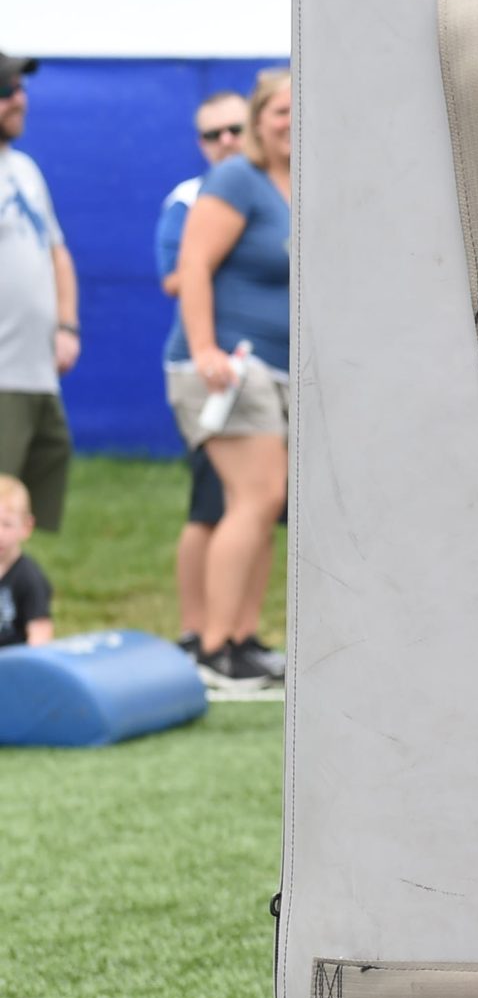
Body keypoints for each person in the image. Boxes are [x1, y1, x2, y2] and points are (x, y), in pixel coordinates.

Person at [170, 68, 292, 692]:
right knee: (255, 498)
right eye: (280, 112)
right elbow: (191, 263)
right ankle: (215, 650)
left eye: (303, 109)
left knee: (267, 505)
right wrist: (204, 349)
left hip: (281, 370)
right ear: (257, 121)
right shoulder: (236, 178)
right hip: (229, 368)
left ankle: (244, 639)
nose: (293, 122)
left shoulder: (298, 185)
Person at [156, 90, 253, 662]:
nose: (227, 142)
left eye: (235, 129)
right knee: (211, 503)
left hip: (258, 366)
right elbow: (175, 275)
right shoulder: (191, 198)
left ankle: (240, 633)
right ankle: (200, 634)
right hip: (210, 367)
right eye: (213, 134)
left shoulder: (272, 186)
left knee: (254, 505)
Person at [0, 51, 79, 535]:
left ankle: (16, 606)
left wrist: (67, 326)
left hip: (36, 373)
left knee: (21, 512)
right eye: (7, 91)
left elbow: (57, 253)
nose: (19, 100)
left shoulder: (24, 168)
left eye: (21, 90)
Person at [0, 474, 55, 648]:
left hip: (11, 668)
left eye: (7, 524)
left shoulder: (29, 578)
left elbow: (40, 634)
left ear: (26, 527)